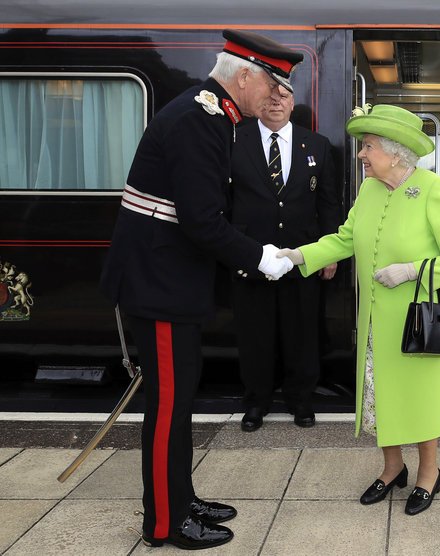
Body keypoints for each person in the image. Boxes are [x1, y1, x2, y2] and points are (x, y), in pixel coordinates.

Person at [99, 30, 302, 550]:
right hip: (160, 286)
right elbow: (201, 220)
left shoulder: (213, 116)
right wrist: (262, 258)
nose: (275, 98)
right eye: (271, 85)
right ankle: (165, 523)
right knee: (169, 407)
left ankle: (182, 498)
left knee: (180, 402)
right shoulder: (200, 119)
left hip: (170, 283)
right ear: (244, 76)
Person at [276, 104, 440, 515]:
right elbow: (346, 238)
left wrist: (409, 271)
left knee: (419, 399)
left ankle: (429, 474)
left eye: (367, 147)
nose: (361, 155)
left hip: (418, 321)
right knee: (379, 395)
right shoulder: (369, 190)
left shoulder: (433, 188)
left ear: (396, 151)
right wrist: (297, 256)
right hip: (373, 321)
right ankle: (392, 469)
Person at [230, 85, 340, 431]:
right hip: (250, 256)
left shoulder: (317, 145)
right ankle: (256, 402)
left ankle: (301, 400)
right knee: (255, 334)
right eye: (270, 96)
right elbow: (224, 200)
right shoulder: (235, 141)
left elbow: (328, 203)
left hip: (303, 257)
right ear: (258, 102)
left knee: (302, 332)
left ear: (294, 103)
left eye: (284, 96)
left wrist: (329, 252)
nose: (276, 102)